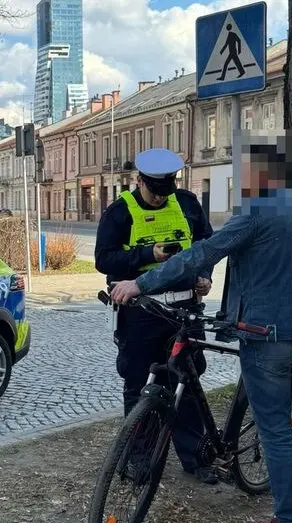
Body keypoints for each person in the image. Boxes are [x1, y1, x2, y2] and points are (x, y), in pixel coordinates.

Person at [109, 134, 292, 523]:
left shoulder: (258, 213)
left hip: (265, 336)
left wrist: (141, 282)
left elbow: (203, 253)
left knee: (275, 430)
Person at [95, 148, 217, 484]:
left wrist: (204, 273)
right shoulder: (120, 212)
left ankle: (196, 458)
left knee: (188, 384)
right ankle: (139, 459)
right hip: (143, 313)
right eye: (154, 192)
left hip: (185, 308)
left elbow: (206, 244)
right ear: (139, 182)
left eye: (167, 192)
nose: (161, 198)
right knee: (141, 387)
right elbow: (104, 260)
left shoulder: (188, 203)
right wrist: (150, 254)